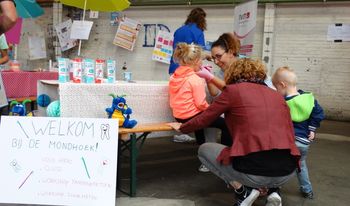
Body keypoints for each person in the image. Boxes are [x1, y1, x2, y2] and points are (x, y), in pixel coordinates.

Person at [169, 58, 300, 206]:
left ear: (233, 74)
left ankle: (243, 190)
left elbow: (204, 119)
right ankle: (272, 190)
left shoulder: (233, 91)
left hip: (254, 170)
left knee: (204, 150)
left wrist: (182, 127)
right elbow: (289, 132)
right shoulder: (277, 95)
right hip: (288, 171)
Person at [169, 42, 232, 172]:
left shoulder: (174, 76)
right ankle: (224, 157)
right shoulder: (195, 79)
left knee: (201, 124)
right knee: (226, 123)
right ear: (197, 61)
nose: (202, 64)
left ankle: (204, 156)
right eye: (201, 61)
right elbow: (201, 104)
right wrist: (214, 111)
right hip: (191, 117)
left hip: (179, 116)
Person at [272, 66, 325, 199]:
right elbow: (319, 113)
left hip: (288, 142)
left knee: (279, 164)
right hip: (304, 143)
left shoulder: (282, 103)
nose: (276, 91)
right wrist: (312, 128)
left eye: (276, 88)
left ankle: (274, 189)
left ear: (282, 85)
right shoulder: (309, 99)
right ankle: (307, 190)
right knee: (301, 165)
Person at [197, 33, 274, 97]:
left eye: (219, 56)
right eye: (214, 58)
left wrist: (211, 77)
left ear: (230, 52)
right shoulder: (222, 72)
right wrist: (209, 79)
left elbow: (235, 92)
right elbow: (217, 94)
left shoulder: (248, 68)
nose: (216, 62)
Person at [169, 7, 207, 75]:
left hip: (174, 68)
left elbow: (175, 50)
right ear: (202, 20)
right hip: (189, 70)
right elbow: (201, 54)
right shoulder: (198, 32)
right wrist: (208, 56)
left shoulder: (178, 31)